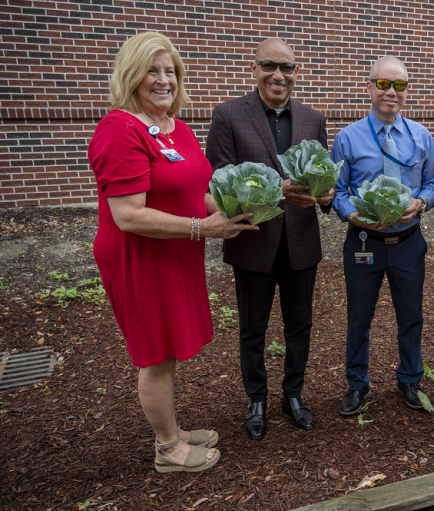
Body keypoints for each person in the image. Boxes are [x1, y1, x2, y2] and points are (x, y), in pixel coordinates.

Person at [88, 32, 256, 473]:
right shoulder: (119, 130)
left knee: (169, 347)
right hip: (139, 257)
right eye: (152, 70)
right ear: (131, 74)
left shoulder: (174, 127)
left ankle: (174, 429)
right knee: (156, 351)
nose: (164, 80)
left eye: (171, 72)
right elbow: (128, 216)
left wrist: (238, 210)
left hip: (176, 251)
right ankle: (168, 448)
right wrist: (204, 228)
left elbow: (195, 191)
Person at [206, 38, 334, 440]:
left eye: (287, 67)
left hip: (301, 242)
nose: (278, 74)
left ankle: (292, 395)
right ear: (254, 68)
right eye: (269, 65)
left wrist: (327, 194)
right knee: (252, 329)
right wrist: (275, 189)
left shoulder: (313, 119)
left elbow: (323, 176)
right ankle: (256, 398)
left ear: (296, 72)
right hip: (253, 239)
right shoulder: (228, 115)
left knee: (300, 325)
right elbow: (220, 181)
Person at [331, 56, 434, 414]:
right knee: (360, 318)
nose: (391, 92)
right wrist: (354, 216)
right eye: (383, 84)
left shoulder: (422, 137)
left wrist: (421, 202)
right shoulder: (347, 138)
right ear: (369, 87)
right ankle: (358, 385)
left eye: (400, 85)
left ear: (406, 91)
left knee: (411, 316)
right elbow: (338, 191)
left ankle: (410, 379)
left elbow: (431, 184)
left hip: (408, 244)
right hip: (365, 245)